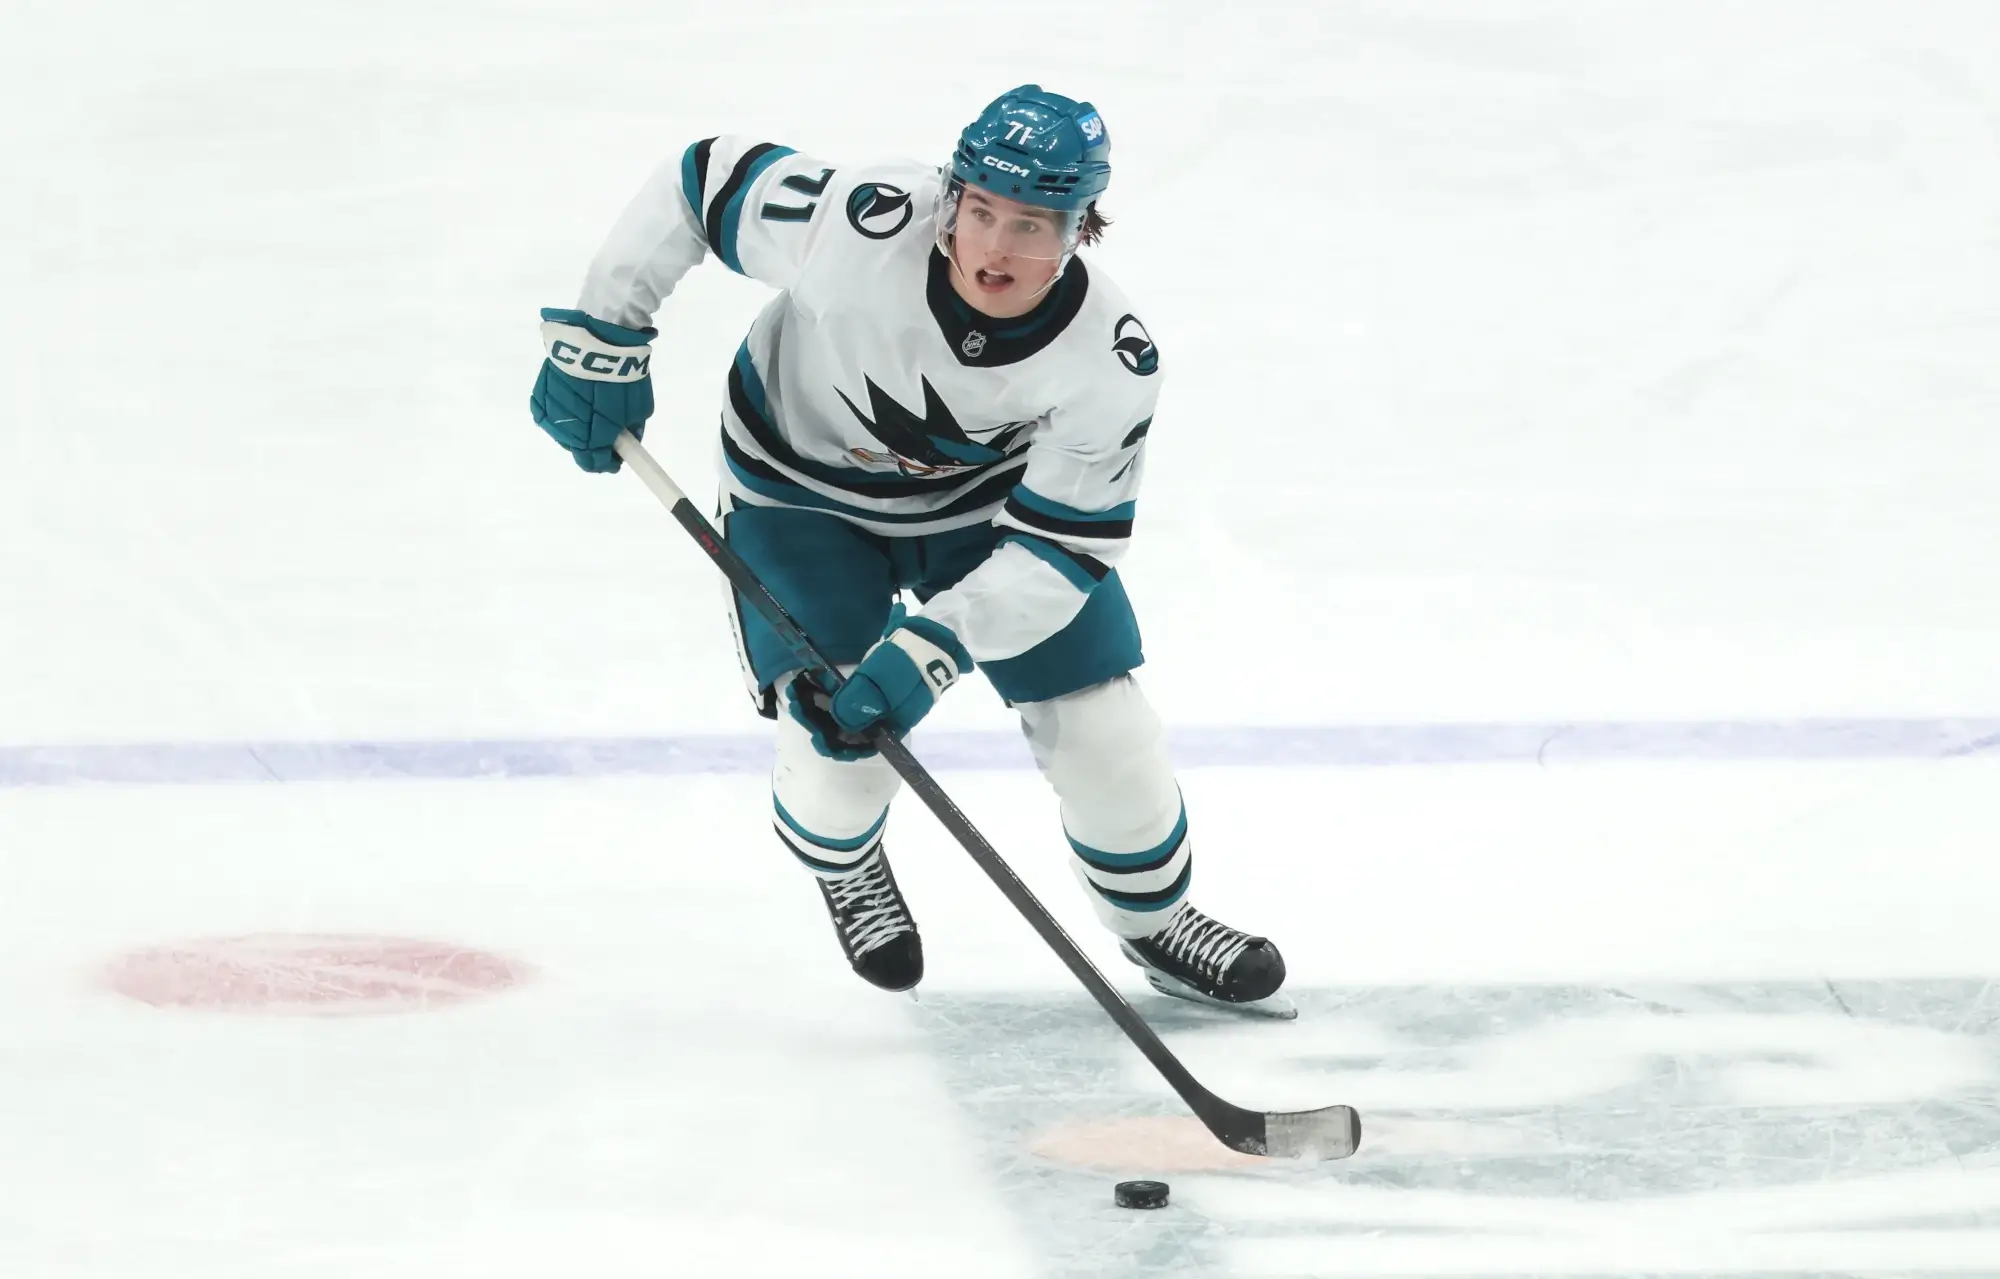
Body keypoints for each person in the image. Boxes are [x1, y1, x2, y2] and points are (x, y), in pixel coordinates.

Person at [529, 85, 1287, 1012]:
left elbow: (1059, 550)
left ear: (1081, 228)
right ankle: (847, 862)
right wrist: (604, 336)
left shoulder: (1109, 359)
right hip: (799, 497)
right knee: (837, 744)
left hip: (984, 519)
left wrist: (936, 645)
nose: (996, 248)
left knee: (1107, 733)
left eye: (1034, 226)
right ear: (951, 197)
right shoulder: (862, 224)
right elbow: (702, 183)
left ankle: (1154, 922)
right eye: (980, 213)